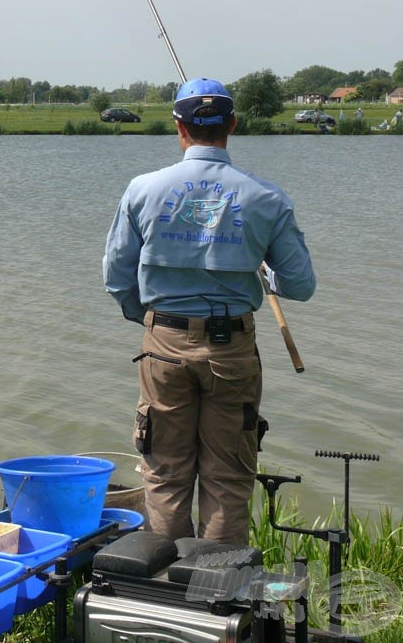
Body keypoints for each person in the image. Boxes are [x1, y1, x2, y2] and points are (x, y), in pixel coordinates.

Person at [102, 78, 316, 545]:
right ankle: (217, 595)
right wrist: (260, 273)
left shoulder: (142, 190)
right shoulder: (267, 198)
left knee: (163, 473)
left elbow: (116, 277)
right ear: (232, 125)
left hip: (163, 346)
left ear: (179, 128)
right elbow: (300, 285)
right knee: (228, 478)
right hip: (233, 348)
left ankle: (163, 591)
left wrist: (153, 321)